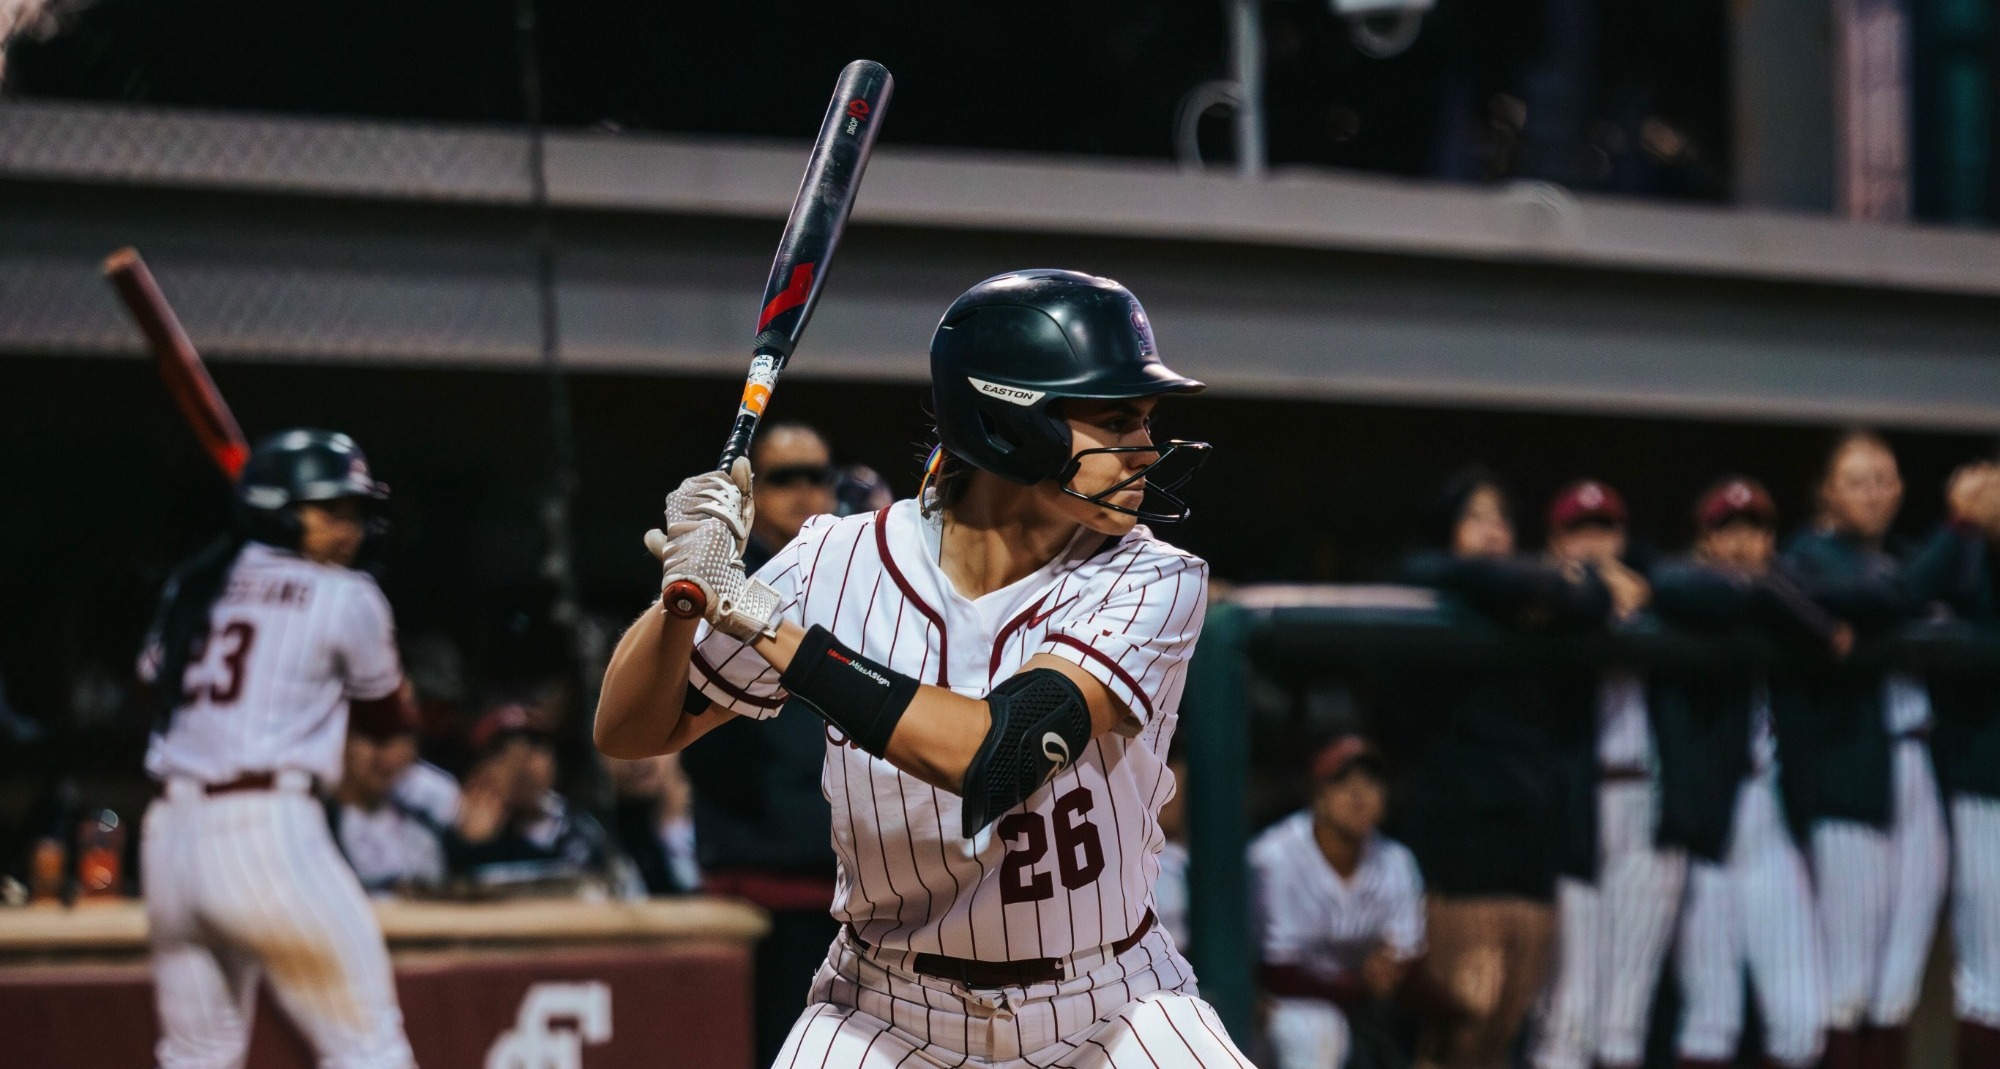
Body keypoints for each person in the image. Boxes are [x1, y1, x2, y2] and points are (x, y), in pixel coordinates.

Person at [595, 268, 1248, 1067]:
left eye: (1146, 419)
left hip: (1109, 1001)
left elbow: (996, 754)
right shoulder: (832, 559)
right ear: (1008, 422)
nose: (1145, 450)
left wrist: (767, 626)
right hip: (887, 1009)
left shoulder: (1154, 576)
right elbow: (631, 730)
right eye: (1117, 419)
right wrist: (684, 598)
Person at [138, 428, 418, 1069]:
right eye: (332, 511)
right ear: (279, 509)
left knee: (196, 1057)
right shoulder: (347, 596)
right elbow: (386, 720)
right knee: (369, 1046)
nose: (350, 529)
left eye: (355, 513)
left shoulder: (194, 584)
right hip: (266, 830)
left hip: (169, 843)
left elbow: (147, 683)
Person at [1387, 467, 1612, 1069]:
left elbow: (1600, 597)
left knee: (1507, 1021)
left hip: (1532, 831)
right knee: (1464, 1015)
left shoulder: (1538, 605)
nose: (1491, 529)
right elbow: (1447, 572)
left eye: (1500, 517)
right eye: (1475, 517)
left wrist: (1566, 585)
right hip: (1465, 832)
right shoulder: (1437, 584)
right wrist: (1563, 581)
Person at [676, 420, 847, 1065]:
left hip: (854, 899)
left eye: (817, 476)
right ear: (753, 494)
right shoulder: (716, 584)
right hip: (759, 905)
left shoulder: (857, 583)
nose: (805, 492)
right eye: (783, 478)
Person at [1650, 477, 1836, 1069]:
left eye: (1753, 530)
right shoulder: (1685, 591)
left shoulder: (1790, 596)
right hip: (1708, 832)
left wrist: (1783, 604)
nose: (1739, 542)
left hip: (1771, 818)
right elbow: (1680, 587)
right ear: (1704, 541)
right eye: (1725, 530)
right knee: (1712, 1019)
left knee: (1803, 1019)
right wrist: (1780, 605)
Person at [1782, 431, 1949, 1069]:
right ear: (1827, 491)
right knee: (1846, 981)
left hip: (1918, 764)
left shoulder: (1909, 559)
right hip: (1848, 773)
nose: (1873, 491)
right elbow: (1885, 597)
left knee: (1898, 983)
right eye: (1857, 479)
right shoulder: (1808, 555)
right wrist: (1959, 530)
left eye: (1883, 478)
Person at [1531, 480, 1684, 1069]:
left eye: (1605, 528)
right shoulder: (1546, 600)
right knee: (1569, 1013)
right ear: (1556, 542)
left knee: (1626, 1017)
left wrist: (1632, 592)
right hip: (1574, 808)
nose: (1594, 541)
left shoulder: (1660, 594)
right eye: (1579, 530)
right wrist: (1595, 590)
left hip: (1648, 798)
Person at [1902, 460, 2000, 1065]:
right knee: (1989, 973)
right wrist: (1961, 525)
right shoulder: (1958, 563)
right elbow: (1904, 594)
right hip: (1983, 785)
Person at [1251, 736, 1424, 1069]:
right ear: (1319, 795)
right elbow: (1277, 972)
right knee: (1315, 1029)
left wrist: (1392, 973)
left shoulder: (1396, 861)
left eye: (1371, 782)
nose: (1358, 795)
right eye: (1343, 782)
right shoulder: (1275, 856)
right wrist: (1362, 985)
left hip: (1361, 1005)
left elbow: (1407, 954)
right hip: (1281, 1005)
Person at [450, 703, 622, 894]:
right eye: (501, 749)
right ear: (477, 769)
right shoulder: (455, 829)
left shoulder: (581, 828)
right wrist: (469, 846)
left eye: (536, 744)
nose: (521, 762)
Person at [326, 726, 449, 895]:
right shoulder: (320, 821)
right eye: (376, 741)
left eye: (400, 741)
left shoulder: (425, 812)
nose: (388, 757)